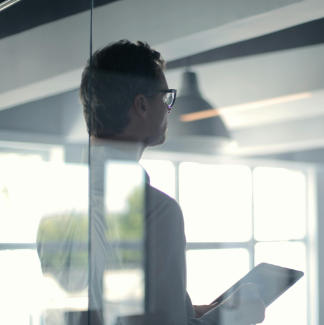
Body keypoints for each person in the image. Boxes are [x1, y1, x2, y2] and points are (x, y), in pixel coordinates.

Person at [37, 40, 265, 325]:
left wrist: (187, 310)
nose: (169, 108)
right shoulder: (155, 211)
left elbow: (106, 311)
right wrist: (236, 316)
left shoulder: (55, 212)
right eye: (166, 97)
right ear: (142, 105)